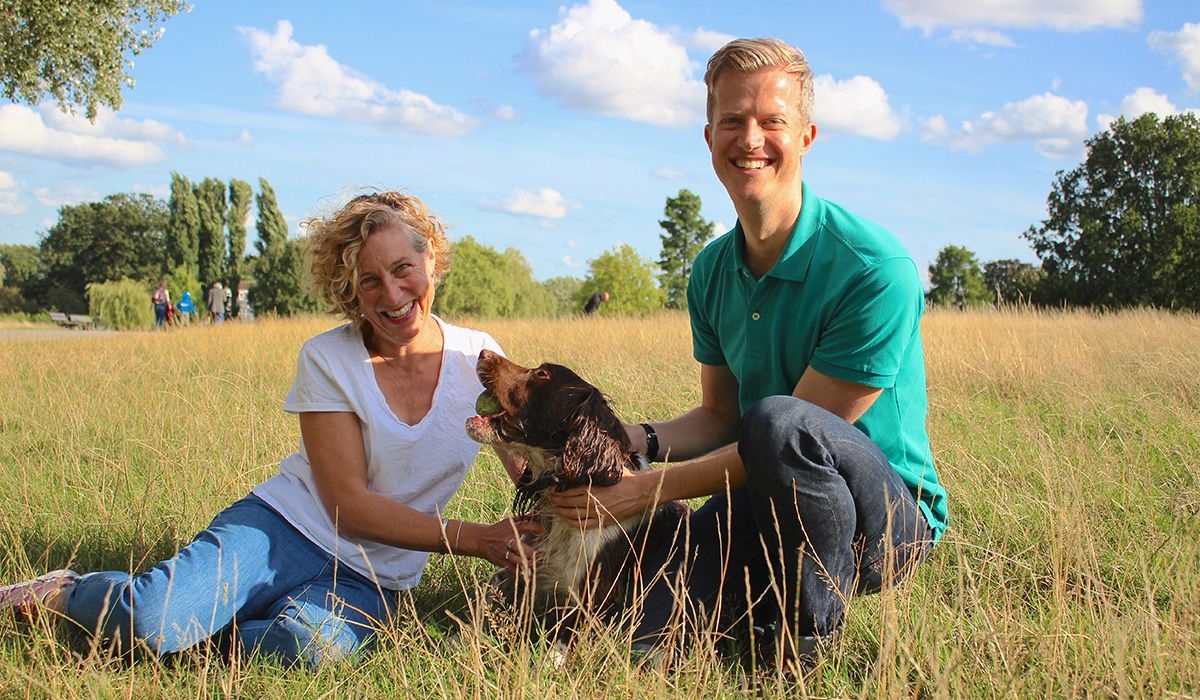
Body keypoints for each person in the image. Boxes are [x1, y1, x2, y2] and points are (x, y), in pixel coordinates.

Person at [0, 190, 541, 668]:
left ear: (432, 261)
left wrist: (598, 495)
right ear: (348, 289)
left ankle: (203, 627)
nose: (393, 294)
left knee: (308, 649)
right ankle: (64, 594)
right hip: (282, 531)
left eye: (404, 269)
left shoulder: (477, 355)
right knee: (150, 620)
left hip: (372, 578)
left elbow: (526, 462)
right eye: (370, 280)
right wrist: (476, 539)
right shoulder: (328, 358)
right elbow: (345, 506)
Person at [549, 38, 948, 671]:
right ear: (708, 136)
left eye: (772, 121)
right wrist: (629, 442)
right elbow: (719, 416)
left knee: (781, 419)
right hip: (760, 493)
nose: (750, 138)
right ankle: (743, 609)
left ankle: (799, 650)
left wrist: (643, 493)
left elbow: (789, 438)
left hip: (884, 521)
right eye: (732, 120)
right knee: (638, 653)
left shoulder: (876, 270)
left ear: (808, 135)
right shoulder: (710, 271)